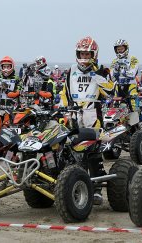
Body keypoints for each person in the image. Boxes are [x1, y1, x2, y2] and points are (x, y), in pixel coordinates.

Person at [59, 36, 113, 205]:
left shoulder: (102, 71)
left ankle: (96, 189)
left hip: (92, 113)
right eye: (81, 53)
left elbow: (111, 92)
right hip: (73, 113)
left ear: (94, 54)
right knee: (69, 150)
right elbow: (65, 93)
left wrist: (99, 76)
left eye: (87, 54)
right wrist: (62, 110)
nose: (84, 57)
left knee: (92, 151)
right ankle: (71, 184)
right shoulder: (71, 71)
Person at [110, 39, 138, 111]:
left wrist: (123, 71)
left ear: (126, 48)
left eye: (121, 49)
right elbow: (112, 78)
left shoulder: (133, 59)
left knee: (133, 104)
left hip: (130, 84)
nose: (120, 51)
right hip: (118, 85)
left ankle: (137, 120)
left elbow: (132, 74)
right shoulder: (114, 61)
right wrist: (115, 71)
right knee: (115, 104)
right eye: (118, 49)